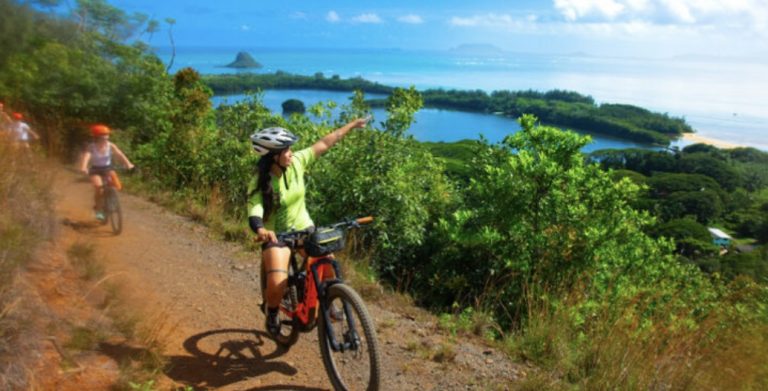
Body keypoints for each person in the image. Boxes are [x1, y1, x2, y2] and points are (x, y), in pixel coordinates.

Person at [248, 117, 369, 335]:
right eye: (286, 150)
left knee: (328, 265)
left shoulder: (297, 162)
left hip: (305, 229)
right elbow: (255, 209)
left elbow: (325, 142)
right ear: (273, 157)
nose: (291, 153)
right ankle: (273, 312)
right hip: (278, 237)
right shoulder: (261, 181)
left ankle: (329, 300)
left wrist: (352, 125)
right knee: (277, 281)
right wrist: (261, 229)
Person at [79, 124, 135, 221]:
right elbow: (87, 156)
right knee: (98, 187)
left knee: (116, 185)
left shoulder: (110, 145)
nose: (105, 138)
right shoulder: (91, 147)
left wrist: (128, 163)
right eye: (103, 136)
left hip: (107, 169)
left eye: (106, 135)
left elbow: (119, 154)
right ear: (97, 137)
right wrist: (84, 167)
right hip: (95, 170)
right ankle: (99, 209)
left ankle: (112, 200)